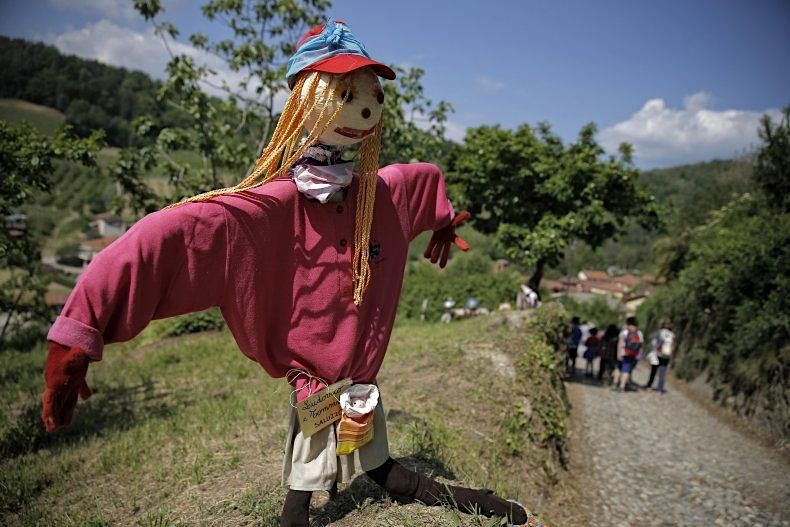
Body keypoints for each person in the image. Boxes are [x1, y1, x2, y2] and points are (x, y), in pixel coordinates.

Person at [40, 19, 541, 527]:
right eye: (346, 93)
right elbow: (169, 237)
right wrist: (82, 329)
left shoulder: (378, 194)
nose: (365, 108)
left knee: (371, 445)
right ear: (307, 103)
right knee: (315, 464)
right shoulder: (267, 209)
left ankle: (402, 479)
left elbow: (422, 178)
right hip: (313, 380)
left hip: (359, 378)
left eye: (372, 96)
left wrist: (442, 217)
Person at [612, 316, 643, 392]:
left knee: (618, 368)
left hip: (623, 352)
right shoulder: (639, 333)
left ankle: (615, 384)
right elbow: (640, 345)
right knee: (626, 370)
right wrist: (639, 355)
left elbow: (620, 343)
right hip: (632, 354)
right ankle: (622, 387)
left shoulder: (625, 332)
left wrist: (618, 354)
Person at [650, 320, 675, 393]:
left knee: (653, 370)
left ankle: (649, 385)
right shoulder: (672, 334)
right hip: (666, 355)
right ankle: (660, 389)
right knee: (662, 373)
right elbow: (672, 346)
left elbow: (656, 343)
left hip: (658, 354)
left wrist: (654, 351)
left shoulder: (660, 332)